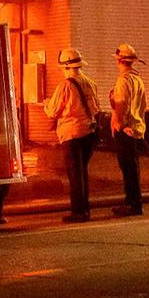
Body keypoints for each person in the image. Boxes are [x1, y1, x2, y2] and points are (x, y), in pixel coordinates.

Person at [43, 47, 99, 222]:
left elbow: (53, 111)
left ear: (66, 66)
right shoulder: (89, 82)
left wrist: (46, 104)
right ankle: (85, 209)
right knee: (82, 172)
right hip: (89, 133)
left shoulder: (65, 86)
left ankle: (79, 212)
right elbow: (95, 106)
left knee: (75, 175)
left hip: (72, 134)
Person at [109, 42, 149, 216]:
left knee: (128, 169)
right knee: (133, 168)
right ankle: (134, 202)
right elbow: (142, 104)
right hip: (137, 127)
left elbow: (121, 103)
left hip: (126, 130)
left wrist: (119, 124)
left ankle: (133, 204)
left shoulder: (124, 80)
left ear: (119, 60)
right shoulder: (138, 80)